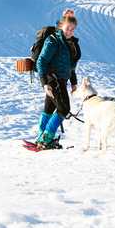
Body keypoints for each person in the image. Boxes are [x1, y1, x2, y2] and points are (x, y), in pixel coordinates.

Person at [34, 13, 81, 149]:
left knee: (49, 109)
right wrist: (45, 83)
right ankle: (46, 138)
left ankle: (41, 137)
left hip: (62, 80)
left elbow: (70, 66)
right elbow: (41, 62)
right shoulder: (53, 40)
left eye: (72, 29)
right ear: (61, 26)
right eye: (68, 28)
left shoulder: (70, 43)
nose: (70, 32)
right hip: (53, 80)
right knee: (64, 109)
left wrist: (73, 82)